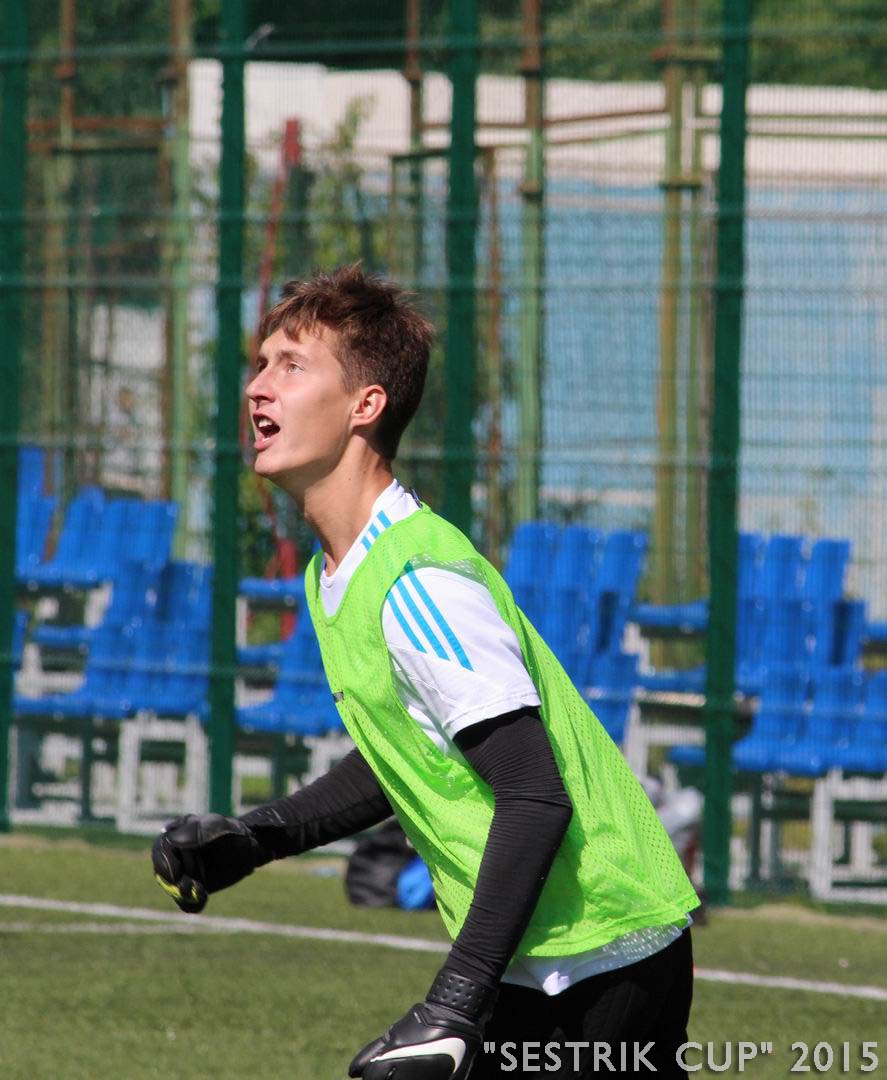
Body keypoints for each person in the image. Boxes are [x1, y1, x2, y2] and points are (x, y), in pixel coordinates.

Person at [152, 264, 699, 1079]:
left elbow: (534, 795)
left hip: (597, 957)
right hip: (550, 957)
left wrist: (454, 1001)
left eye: (291, 366)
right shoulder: (338, 572)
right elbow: (408, 755)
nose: (258, 387)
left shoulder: (417, 582)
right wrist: (261, 837)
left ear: (365, 405)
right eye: (260, 364)